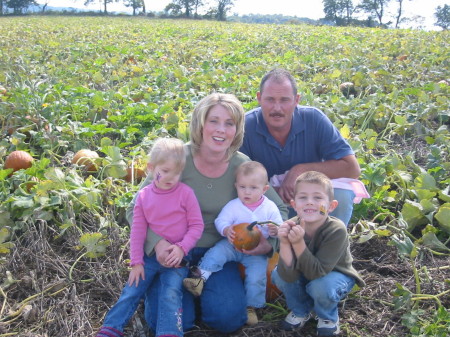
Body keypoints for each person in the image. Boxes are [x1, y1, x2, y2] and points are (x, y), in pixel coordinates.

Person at [126, 93, 288, 334]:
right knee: (164, 321)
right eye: (214, 120)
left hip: (218, 254)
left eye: (229, 123)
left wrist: (268, 244)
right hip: (174, 252)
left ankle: (203, 293)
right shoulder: (176, 158)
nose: (221, 130)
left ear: (237, 129)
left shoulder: (241, 166)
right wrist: (157, 244)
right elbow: (134, 208)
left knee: (228, 320)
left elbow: (280, 210)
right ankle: (175, 291)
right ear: (200, 123)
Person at [96, 138, 204, 337]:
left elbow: (197, 226)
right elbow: (138, 231)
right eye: (165, 171)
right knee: (131, 290)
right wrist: (136, 262)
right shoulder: (144, 197)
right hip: (148, 258)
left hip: (176, 259)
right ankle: (111, 329)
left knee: (171, 294)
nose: (171, 177)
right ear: (151, 168)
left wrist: (182, 248)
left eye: (177, 172)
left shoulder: (186, 194)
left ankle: (169, 332)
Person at [240, 68, 364, 225]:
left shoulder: (314, 119)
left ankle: (329, 243)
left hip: (310, 198)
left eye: (284, 100)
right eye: (270, 99)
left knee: (342, 195)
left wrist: (300, 170)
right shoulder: (246, 127)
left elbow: (352, 169)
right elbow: (234, 178)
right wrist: (271, 192)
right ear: (259, 98)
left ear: (296, 100)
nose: (277, 108)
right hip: (265, 202)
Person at [183, 161, 283, 326]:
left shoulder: (269, 208)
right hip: (231, 245)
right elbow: (221, 220)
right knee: (216, 254)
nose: (247, 192)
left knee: (257, 277)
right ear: (236, 186)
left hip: (255, 251)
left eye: (253, 188)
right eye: (242, 187)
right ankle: (199, 279)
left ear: (264, 189)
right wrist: (226, 229)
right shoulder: (234, 205)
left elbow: (279, 225)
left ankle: (251, 307)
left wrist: (274, 231)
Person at [271, 171, 365, 336]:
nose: (309, 203)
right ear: (294, 204)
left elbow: (317, 273)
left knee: (320, 286)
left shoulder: (336, 230)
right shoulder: (289, 226)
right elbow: (287, 275)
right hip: (307, 272)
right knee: (277, 274)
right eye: (303, 198)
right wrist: (285, 243)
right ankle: (301, 310)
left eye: (317, 198)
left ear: (331, 206)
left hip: (335, 274)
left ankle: (327, 317)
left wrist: (298, 243)